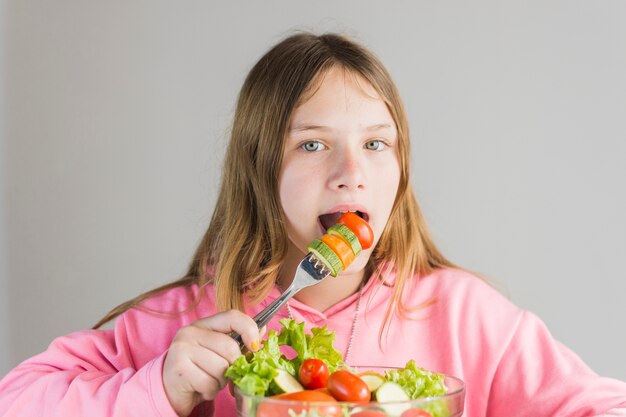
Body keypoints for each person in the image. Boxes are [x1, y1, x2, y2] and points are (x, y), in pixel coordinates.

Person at [1, 32, 625, 417]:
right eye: (313, 145)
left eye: (376, 145)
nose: (352, 172)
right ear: (259, 168)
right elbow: (16, 399)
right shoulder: (190, 321)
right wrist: (158, 389)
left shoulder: (466, 317)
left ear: (401, 170)